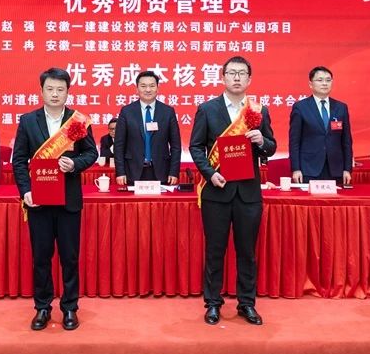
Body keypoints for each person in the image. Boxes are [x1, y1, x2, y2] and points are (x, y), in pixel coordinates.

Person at [190, 56, 276, 326]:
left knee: (247, 252)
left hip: (248, 194)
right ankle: (213, 303)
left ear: (249, 79)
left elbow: (271, 147)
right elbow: (195, 147)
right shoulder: (207, 109)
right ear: (223, 77)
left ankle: (246, 303)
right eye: (232, 73)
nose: (237, 78)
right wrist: (210, 173)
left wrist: (262, 141)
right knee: (215, 251)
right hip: (217, 192)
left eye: (242, 73)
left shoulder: (258, 110)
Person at [11, 67, 98, 331]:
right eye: (50, 89)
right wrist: (25, 191)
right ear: (41, 91)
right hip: (38, 201)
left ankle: (70, 308)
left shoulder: (77, 121)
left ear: (68, 92)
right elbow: (19, 161)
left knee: (69, 258)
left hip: (68, 201)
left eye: (60, 89)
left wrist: (75, 164)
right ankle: (43, 307)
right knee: (41, 257)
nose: (55, 94)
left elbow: (91, 154)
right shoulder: (28, 121)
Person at [288, 66, 353, 187]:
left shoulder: (341, 107)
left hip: (336, 169)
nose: (324, 83)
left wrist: (347, 169)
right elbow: (294, 141)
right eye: (320, 80)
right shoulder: (301, 107)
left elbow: (346, 141)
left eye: (328, 80)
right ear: (310, 84)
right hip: (309, 168)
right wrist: (296, 169)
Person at [114, 72, 182, 187]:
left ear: (157, 88)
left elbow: (176, 145)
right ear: (137, 89)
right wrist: (120, 172)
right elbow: (119, 145)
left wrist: (173, 172)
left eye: (152, 86)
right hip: (133, 171)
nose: (148, 90)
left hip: (161, 172)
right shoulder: (126, 112)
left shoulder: (168, 112)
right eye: (143, 86)